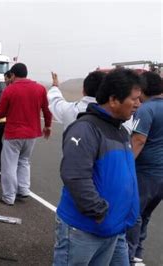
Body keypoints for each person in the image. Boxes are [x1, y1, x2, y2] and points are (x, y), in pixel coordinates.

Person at [53, 69, 142, 266]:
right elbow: (75, 176)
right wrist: (100, 212)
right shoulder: (85, 129)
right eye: (134, 99)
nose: (138, 104)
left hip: (113, 227)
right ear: (113, 100)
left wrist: (129, 212)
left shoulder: (120, 130)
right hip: (85, 229)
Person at [0, 63, 52, 205]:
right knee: (24, 161)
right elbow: (47, 110)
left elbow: (0, 113)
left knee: (9, 165)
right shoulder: (40, 88)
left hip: (14, 133)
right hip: (32, 133)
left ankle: (9, 196)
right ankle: (24, 190)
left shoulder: (10, 90)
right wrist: (48, 126)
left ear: (13, 75)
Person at [126, 71, 163, 265]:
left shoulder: (146, 110)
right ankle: (138, 252)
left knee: (134, 213)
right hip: (160, 174)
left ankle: (128, 255)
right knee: (145, 214)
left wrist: (126, 166)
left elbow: (139, 139)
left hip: (145, 172)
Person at [48, 71, 134, 133]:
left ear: (83, 91)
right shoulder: (116, 116)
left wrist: (55, 86)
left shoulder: (69, 110)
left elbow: (55, 100)